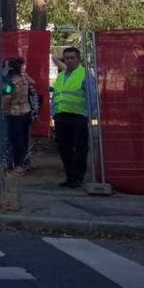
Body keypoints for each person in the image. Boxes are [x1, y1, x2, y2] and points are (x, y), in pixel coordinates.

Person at [52, 47, 96, 188]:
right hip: (61, 117)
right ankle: (70, 176)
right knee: (64, 148)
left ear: (78, 59)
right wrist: (54, 114)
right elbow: (57, 96)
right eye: (67, 58)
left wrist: (88, 114)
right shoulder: (61, 75)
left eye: (72, 58)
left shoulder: (85, 74)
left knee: (79, 148)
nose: (69, 60)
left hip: (78, 116)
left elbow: (92, 96)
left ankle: (77, 177)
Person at [1, 57, 36, 173]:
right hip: (26, 111)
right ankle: (24, 163)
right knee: (24, 139)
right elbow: (33, 82)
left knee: (16, 140)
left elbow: (7, 98)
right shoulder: (24, 78)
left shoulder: (11, 83)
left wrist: (4, 110)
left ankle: (17, 165)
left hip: (14, 113)